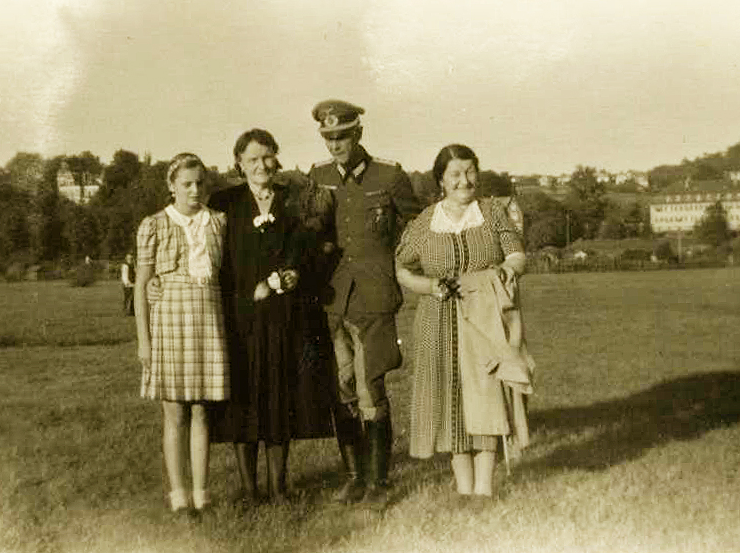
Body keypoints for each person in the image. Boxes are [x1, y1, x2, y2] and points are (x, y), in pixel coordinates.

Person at [394, 144, 534, 499]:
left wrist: (505, 270)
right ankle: (464, 487)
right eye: (455, 174)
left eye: (470, 171)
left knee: (486, 395)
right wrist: (428, 286)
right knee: (451, 398)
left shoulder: (492, 213)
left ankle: (484, 488)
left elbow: (517, 254)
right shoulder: (425, 221)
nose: (464, 181)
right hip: (437, 321)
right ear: (441, 179)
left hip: (485, 320)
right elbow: (402, 268)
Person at [208, 129, 335, 504]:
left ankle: (279, 487)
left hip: (285, 318)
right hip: (239, 319)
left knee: (281, 397)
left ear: (276, 158)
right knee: (243, 402)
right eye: (252, 159)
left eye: (267, 157)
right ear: (239, 164)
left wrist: (296, 273)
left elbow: (312, 252)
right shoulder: (224, 202)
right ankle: (250, 490)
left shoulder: (294, 202)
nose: (261, 165)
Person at [308, 100, 421, 507]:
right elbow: (312, 232)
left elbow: (417, 227)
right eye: (328, 138)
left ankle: (379, 482)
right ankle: (354, 477)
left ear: (357, 134)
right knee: (343, 387)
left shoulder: (389, 175)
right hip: (334, 298)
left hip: (374, 296)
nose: (335, 145)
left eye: (341, 136)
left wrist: (400, 266)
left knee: (371, 385)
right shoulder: (318, 177)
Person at [134, 153, 230, 518]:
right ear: (171, 186)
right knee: (174, 412)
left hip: (208, 319)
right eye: (186, 183)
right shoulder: (154, 225)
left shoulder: (218, 222)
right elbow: (143, 285)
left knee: (202, 410)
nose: (194, 190)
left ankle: (202, 493)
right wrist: (144, 341)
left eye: (200, 183)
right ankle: (178, 493)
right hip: (169, 323)